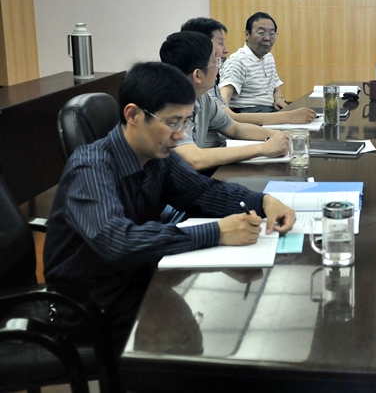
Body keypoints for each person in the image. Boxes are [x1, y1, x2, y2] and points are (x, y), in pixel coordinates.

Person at [43, 62, 296, 351]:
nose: (180, 134)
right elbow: (119, 242)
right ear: (133, 115)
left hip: (138, 277)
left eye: (185, 122)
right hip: (89, 306)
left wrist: (263, 202)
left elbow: (204, 191)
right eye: (173, 122)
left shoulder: (158, 156)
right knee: (209, 343)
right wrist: (217, 232)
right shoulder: (90, 167)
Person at [160, 31, 290, 171]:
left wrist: (280, 136)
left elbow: (235, 128)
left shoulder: (202, 97)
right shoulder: (166, 107)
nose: (219, 68)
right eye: (215, 62)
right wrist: (263, 148)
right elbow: (194, 159)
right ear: (198, 75)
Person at [180, 17, 315, 142]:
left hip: (234, 139)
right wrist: (288, 117)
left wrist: (283, 135)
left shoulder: (207, 90)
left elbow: (234, 127)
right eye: (220, 43)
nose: (226, 49)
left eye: (272, 33)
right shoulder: (234, 64)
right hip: (234, 135)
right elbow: (230, 116)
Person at [219, 12, 288, 112]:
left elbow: (275, 87)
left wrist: (279, 98)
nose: (267, 38)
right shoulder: (237, 61)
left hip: (269, 110)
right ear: (247, 34)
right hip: (248, 112)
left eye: (272, 34)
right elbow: (223, 99)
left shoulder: (268, 57)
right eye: (261, 33)